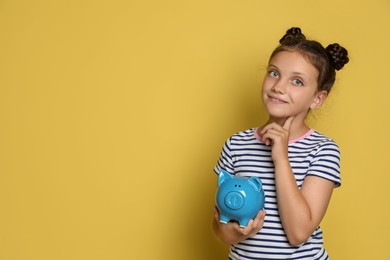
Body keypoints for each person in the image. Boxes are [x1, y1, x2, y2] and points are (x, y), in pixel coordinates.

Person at [212, 27, 349, 259]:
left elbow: (298, 233)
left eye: (296, 81)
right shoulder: (236, 144)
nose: (278, 87)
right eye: (274, 73)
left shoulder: (322, 150)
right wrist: (235, 233)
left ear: (317, 98)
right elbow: (220, 227)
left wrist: (281, 158)